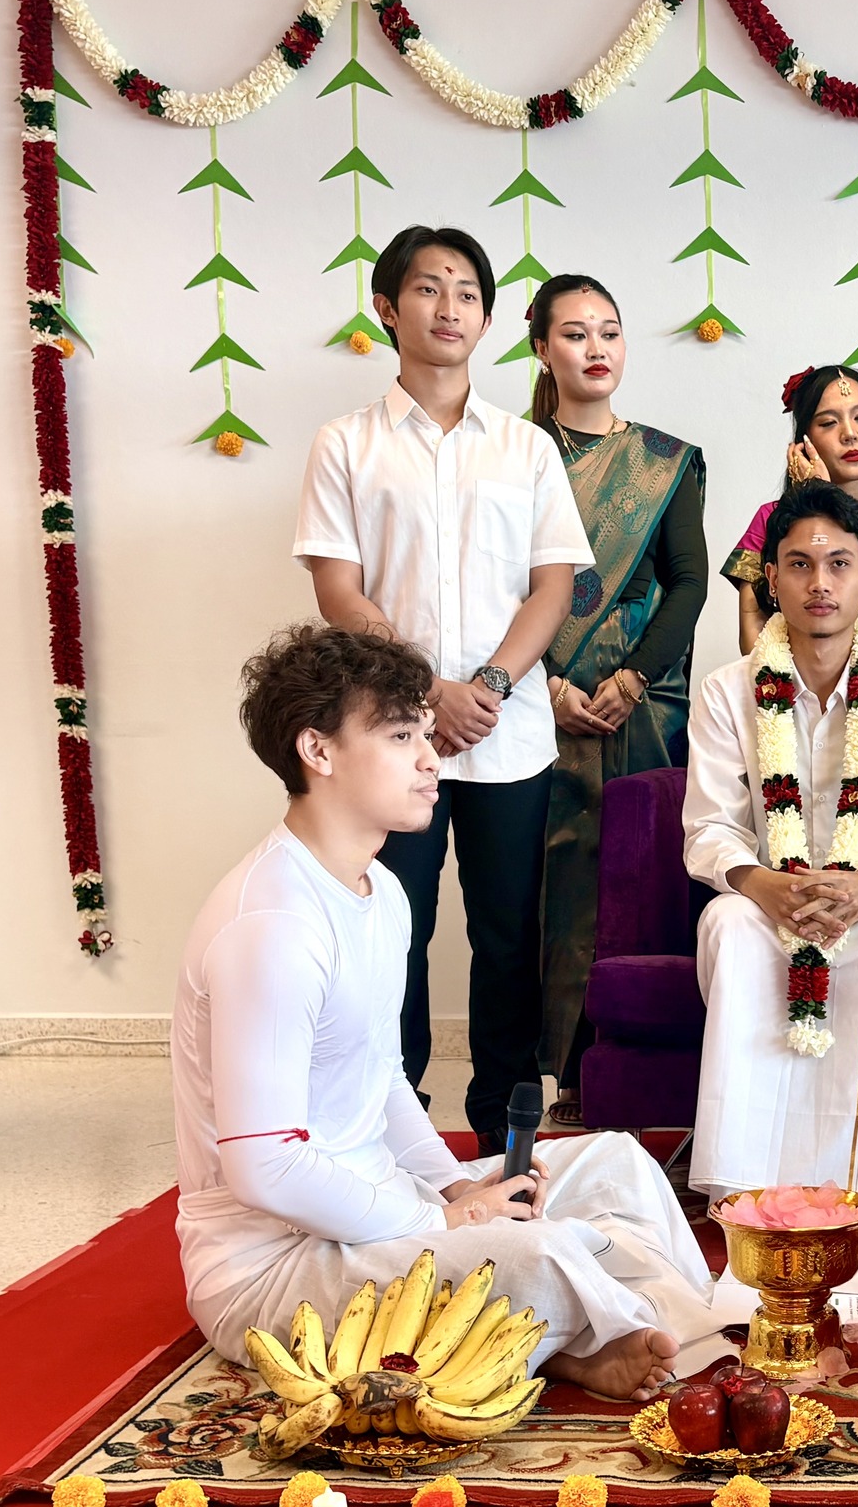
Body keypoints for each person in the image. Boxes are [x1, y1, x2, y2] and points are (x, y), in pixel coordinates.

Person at [173, 624, 727, 1401]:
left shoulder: (381, 892)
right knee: (539, 1250)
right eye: (402, 737)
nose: (433, 759)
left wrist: (451, 1190)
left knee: (617, 1164)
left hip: (386, 1211)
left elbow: (382, 1075)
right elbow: (265, 1167)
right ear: (317, 750)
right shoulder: (272, 925)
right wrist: (441, 1224)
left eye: (425, 734)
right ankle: (601, 1330)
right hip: (276, 1265)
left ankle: (573, 1332)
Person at [295, 225, 593, 1154]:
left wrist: (490, 685)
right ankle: (393, 1123)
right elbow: (340, 591)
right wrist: (429, 691)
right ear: (389, 309)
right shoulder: (346, 444)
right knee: (396, 927)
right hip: (390, 738)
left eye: (467, 292)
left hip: (508, 733)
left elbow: (552, 587)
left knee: (508, 938)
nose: (449, 307)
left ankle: (507, 1129)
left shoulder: (526, 449)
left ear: (488, 320)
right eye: (429, 288)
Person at [684, 484, 858, 1202]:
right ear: (771, 579)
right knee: (729, 923)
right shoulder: (726, 692)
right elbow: (709, 827)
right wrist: (761, 884)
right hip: (767, 897)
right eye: (800, 565)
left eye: (839, 563)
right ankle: (742, 1181)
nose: (820, 583)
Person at [528, 274, 709, 1126]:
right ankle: (560, 1073)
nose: (595, 348)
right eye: (575, 334)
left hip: (646, 703)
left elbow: (689, 581)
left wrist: (633, 676)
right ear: (542, 350)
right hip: (538, 699)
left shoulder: (665, 461)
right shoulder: (516, 453)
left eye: (609, 331)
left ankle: (640, 1068)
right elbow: (497, 583)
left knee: (640, 872)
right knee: (550, 883)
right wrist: (546, 684)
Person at [721, 364, 858, 654]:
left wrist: (825, 493)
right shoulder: (770, 518)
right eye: (829, 423)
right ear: (804, 442)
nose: (850, 434)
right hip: (787, 678)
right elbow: (752, 626)